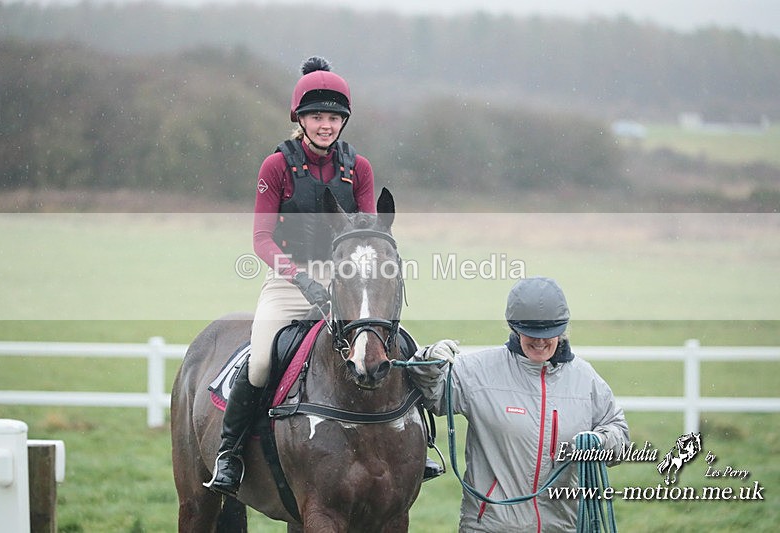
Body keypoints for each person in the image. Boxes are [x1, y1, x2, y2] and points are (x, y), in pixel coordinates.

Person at [206, 56, 442, 497]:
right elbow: (261, 240)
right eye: (317, 116)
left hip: (347, 279)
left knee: (396, 345)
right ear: (300, 118)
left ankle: (419, 442)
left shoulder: (360, 169)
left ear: (343, 121)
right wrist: (301, 278)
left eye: (333, 117)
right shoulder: (275, 167)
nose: (325, 125)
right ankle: (231, 453)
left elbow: (368, 232)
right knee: (260, 362)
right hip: (288, 280)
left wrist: (353, 278)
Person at [408, 276, 630, 532]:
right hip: (491, 526)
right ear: (514, 328)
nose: (539, 342)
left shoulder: (585, 379)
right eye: (530, 333)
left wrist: (599, 443)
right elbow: (434, 396)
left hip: (563, 526)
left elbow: (619, 437)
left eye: (548, 333)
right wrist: (427, 363)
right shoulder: (478, 371)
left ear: (562, 329)